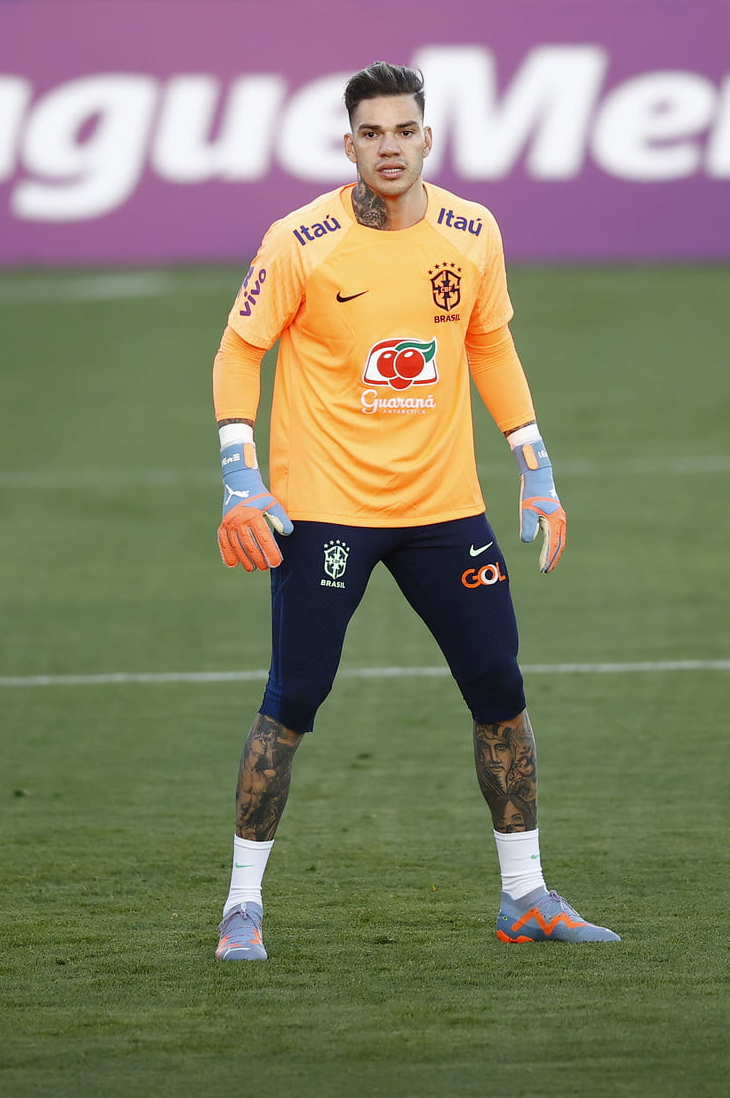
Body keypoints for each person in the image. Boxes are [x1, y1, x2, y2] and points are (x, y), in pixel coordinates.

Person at [208, 60, 620, 961]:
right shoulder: (300, 239)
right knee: (296, 698)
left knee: (500, 692)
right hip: (324, 509)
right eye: (371, 133)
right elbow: (239, 352)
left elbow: (489, 342)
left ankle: (526, 895)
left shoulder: (473, 231)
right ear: (346, 143)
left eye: (404, 131)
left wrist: (534, 464)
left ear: (427, 138)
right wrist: (241, 469)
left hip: (444, 508)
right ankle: (242, 906)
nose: (388, 148)